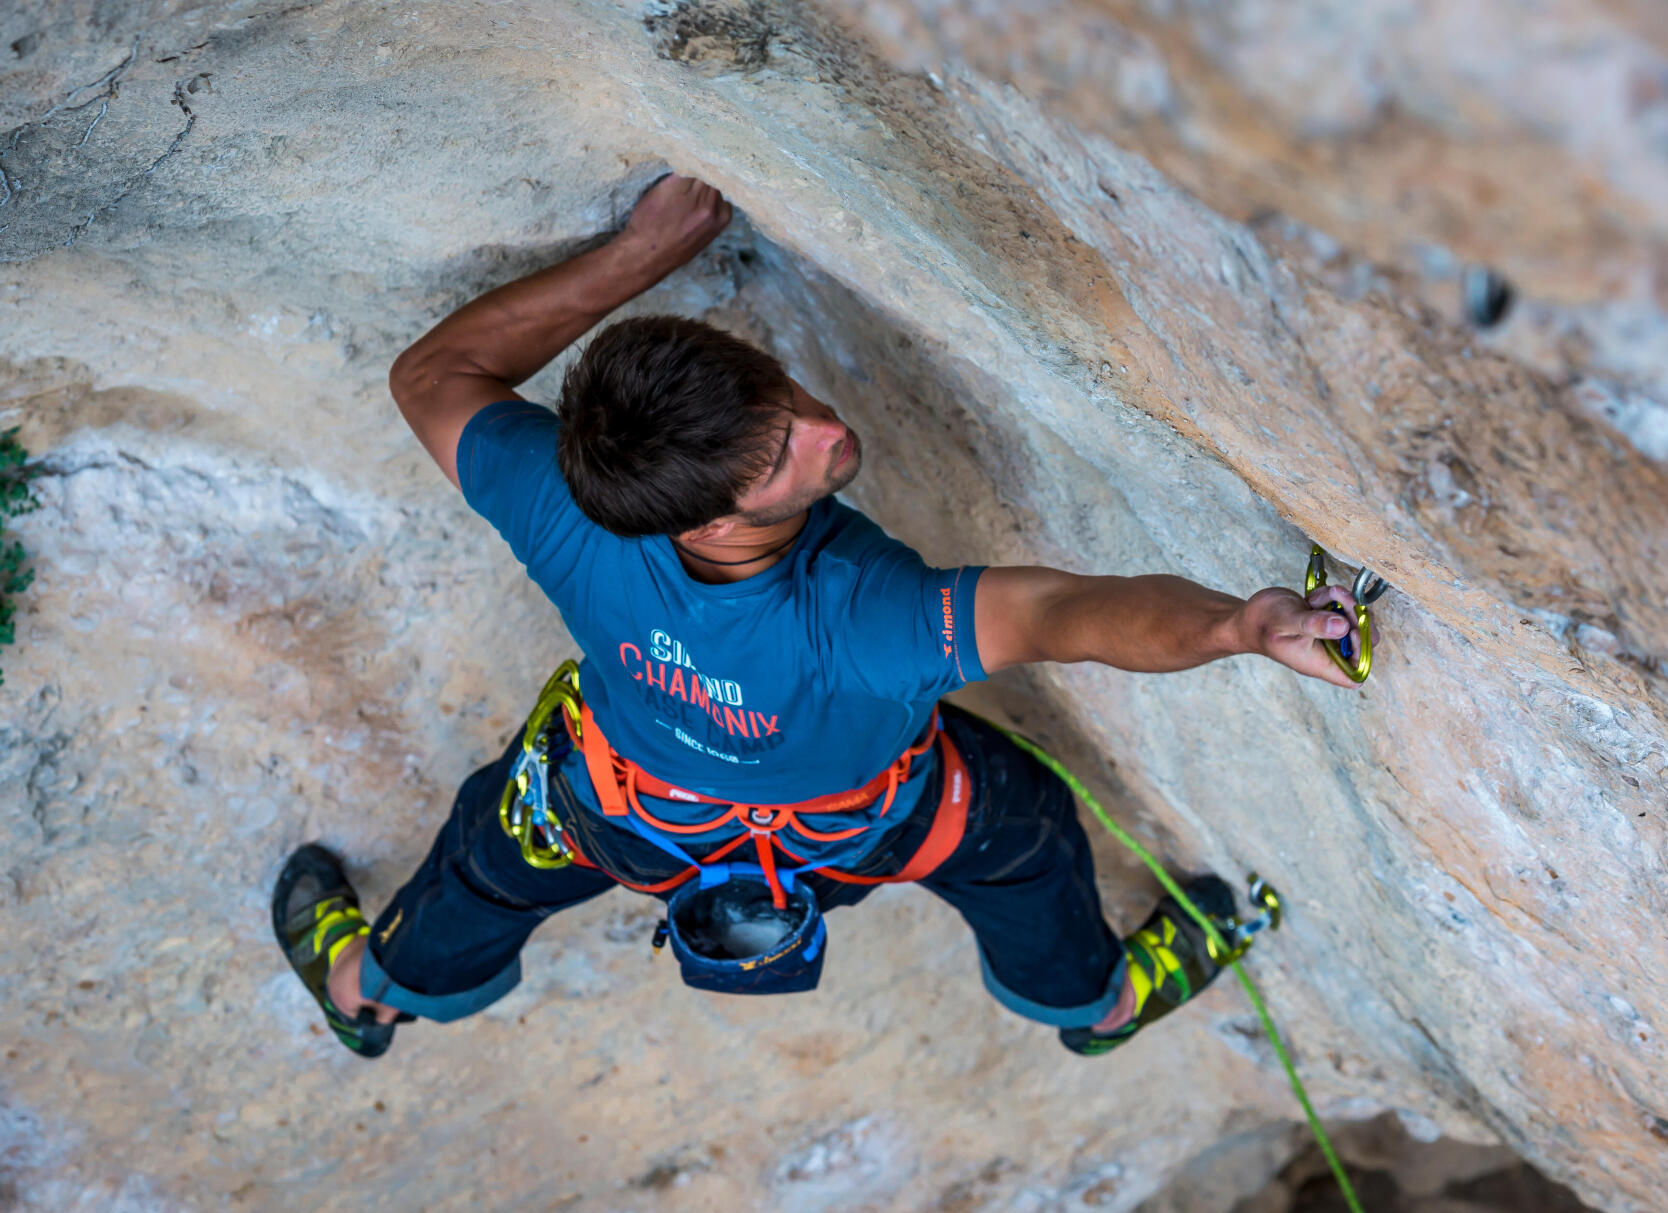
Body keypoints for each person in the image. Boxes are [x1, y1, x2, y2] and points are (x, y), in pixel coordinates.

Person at [272, 174, 1375, 1060]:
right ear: (704, 523)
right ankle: (1099, 1004)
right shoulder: (860, 620)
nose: (822, 431)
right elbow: (1066, 613)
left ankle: (365, 989)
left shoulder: (570, 503)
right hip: (859, 832)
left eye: (777, 400)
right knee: (1025, 836)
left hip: (610, 808)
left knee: (486, 858)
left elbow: (435, 375)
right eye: (777, 462)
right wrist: (1238, 626)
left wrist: (636, 254)